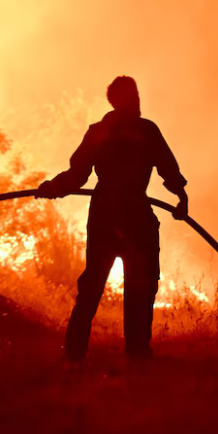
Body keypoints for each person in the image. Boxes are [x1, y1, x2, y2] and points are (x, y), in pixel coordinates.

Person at [36, 76, 188, 361]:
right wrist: (54, 187)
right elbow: (78, 173)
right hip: (127, 216)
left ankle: (99, 354)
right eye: (133, 97)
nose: (138, 102)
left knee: (117, 287)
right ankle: (108, 353)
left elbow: (78, 175)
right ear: (121, 101)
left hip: (114, 215)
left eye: (137, 95)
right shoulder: (134, 131)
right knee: (116, 287)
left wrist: (181, 197)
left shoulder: (119, 131)